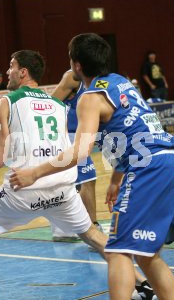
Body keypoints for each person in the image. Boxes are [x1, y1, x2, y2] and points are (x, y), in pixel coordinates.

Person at [0, 50, 154, 300]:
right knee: (93, 236)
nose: (7, 71)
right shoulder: (59, 106)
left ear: (23, 72)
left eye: (11, 66)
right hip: (63, 189)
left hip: (25, 189)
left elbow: (0, 160)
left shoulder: (5, 102)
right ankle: (143, 284)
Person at [10, 33, 174, 300]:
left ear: (77, 65)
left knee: (118, 252)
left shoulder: (90, 98)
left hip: (148, 168)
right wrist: (116, 179)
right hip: (173, 164)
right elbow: (136, 131)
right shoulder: (122, 83)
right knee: (148, 256)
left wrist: (33, 173)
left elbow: (79, 153)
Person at [50, 70, 102, 243]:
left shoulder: (99, 80)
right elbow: (50, 104)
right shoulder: (72, 77)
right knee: (87, 179)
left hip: (82, 135)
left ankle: (63, 228)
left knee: (75, 183)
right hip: (69, 137)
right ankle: (93, 227)